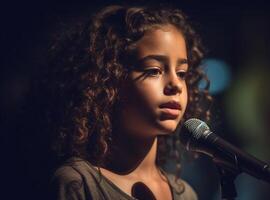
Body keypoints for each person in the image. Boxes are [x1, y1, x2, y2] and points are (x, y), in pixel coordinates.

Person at [47, 4, 211, 200]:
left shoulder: (186, 194)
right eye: (153, 70)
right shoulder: (79, 184)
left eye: (182, 73)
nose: (175, 84)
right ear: (108, 80)